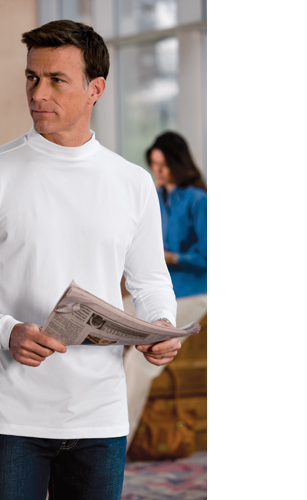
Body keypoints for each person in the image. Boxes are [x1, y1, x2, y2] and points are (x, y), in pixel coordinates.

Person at [0, 20, 181, 500]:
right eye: (32, 77)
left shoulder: (132, 183)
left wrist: (160, 324)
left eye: (56, 80)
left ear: (95, 89)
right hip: (12, 417)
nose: (38, 93)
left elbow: (149, 281)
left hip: (101, 416)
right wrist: (5, 331)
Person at [124, 131, 207, 450]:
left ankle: (119, 439)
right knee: (99, 322)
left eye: (163, 165)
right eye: (153, 165)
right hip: (160, 289)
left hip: (192, 292)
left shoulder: (199, 200)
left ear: (178, 163)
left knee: (138, 359)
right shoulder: (155, 197)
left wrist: (173, 257)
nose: (157, 171)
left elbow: (209, 257)